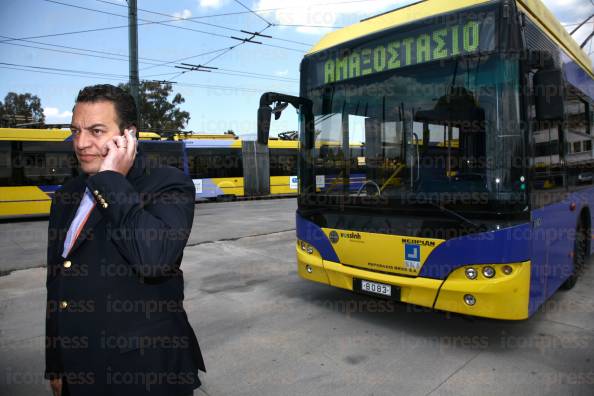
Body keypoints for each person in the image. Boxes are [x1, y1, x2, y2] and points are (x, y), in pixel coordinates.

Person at [44, 84, 205, 396]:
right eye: (75, 130)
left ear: (128, 136)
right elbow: (56, 282)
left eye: (96, 131)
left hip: (144, 373)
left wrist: (112, 181)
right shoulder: (67, 195)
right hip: (78, 370)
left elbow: (154, 260)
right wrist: (57, 363)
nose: (80, 143)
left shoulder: (170, 185)